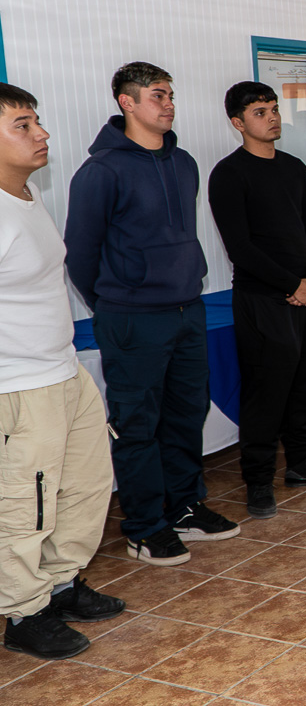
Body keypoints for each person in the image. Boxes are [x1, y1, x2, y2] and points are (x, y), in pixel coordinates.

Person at [65, 62, 238, 567]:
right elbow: (81, 253)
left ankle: (184, 507)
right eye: (158, 95)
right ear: (127, 102)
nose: (169, 104)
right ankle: (144, 527)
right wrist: (115, 302)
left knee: (186, 414)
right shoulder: (101, 171)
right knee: (137, 424)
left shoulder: (183, 162)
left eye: (170, 95)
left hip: (187, 309)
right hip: (132, 317)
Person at [1, 83, 123, 660]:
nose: (41, 133)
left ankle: (60, 583)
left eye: (37, 121)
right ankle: (23, 612)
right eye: (22, 125)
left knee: (85, 486)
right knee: (25, 504)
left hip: (64, 371)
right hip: (18, 386)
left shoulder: (26, 196)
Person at [209, 82, 306, 519]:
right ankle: (257, 480)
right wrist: (293, 285)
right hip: (262, 299)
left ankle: (303, 463)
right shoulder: (229, 174)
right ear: (238, 123)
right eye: (260, 112)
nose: (272, 117)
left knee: (305, 383)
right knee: (266, 392)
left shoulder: (292, 166)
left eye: (273, 108)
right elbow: (241, 247)